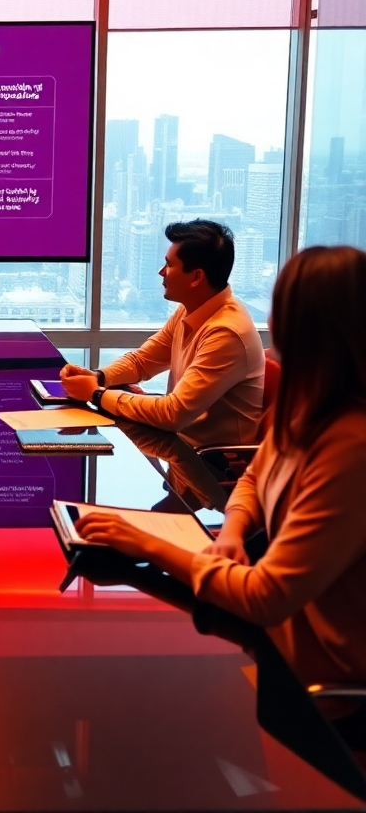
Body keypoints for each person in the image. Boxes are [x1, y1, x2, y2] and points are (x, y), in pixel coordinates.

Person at [76, 245, 366, 690]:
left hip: (309, 682)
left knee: (137, 684)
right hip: (266, 638)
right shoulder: (309, 407)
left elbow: (265, 598)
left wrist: (146, 543)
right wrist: (231, 532)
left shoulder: (351, 447)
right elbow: (255, 475)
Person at [61, 219, 264, 448]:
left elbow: (173, 413)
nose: (161, 272)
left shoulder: (226, 333)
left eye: (169, 264)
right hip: (178, 444)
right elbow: (143, 361)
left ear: (196, 277)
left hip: (210, 465)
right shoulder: (192, 308)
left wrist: (96, 394)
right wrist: (97, 377)